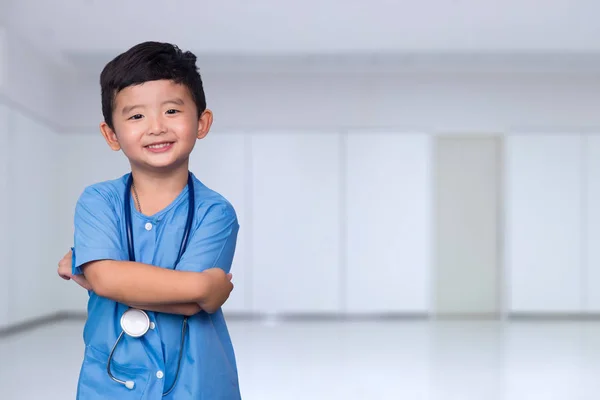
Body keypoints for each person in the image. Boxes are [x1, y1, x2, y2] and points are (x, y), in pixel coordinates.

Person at [56, 41, 242, 399]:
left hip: (196, 382)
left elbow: (185, 305)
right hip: (112, 382)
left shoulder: (215, 212)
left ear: (202, 123)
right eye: (136, 116)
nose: (156, 127)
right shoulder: (99, 200)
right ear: (111, 134)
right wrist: (204, 288)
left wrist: (92, 273)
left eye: (172, 111)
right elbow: (110, 279)